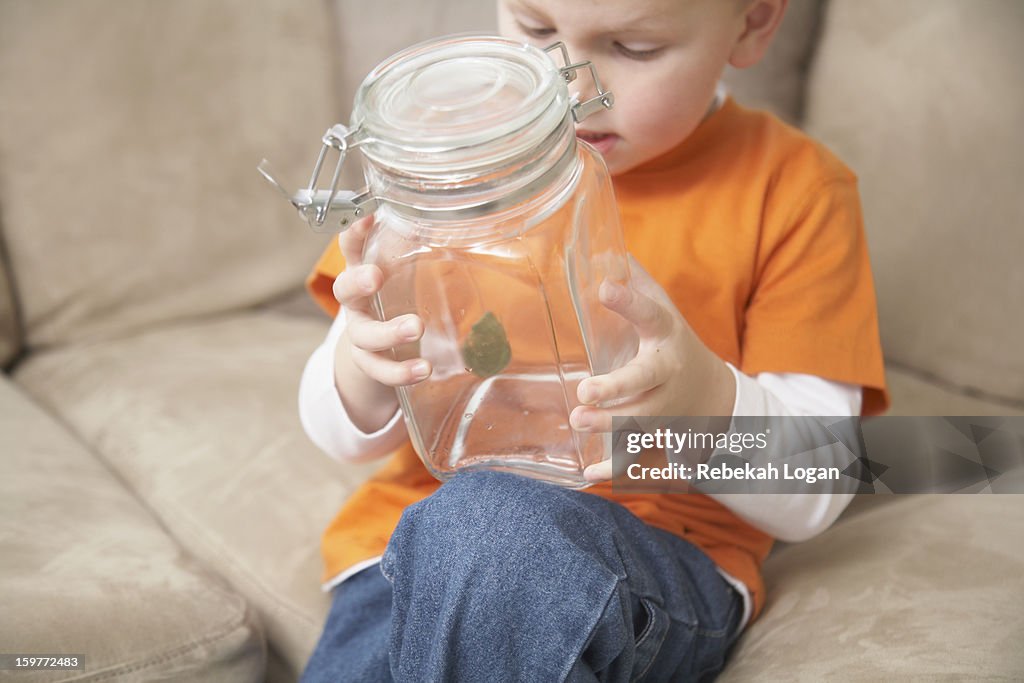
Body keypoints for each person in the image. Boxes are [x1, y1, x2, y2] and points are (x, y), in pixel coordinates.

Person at [298, 0, 888, 680]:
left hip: (648, 567)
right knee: (467, 522)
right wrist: (365, 366)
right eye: (537, 29)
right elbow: (340, 432)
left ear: (752, 22)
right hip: (401, 548)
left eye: (633, 48)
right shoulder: (444, 169)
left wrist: (701, 401)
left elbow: (817, 484)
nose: (567, 85)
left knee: (490, 524)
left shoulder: (797, 192)